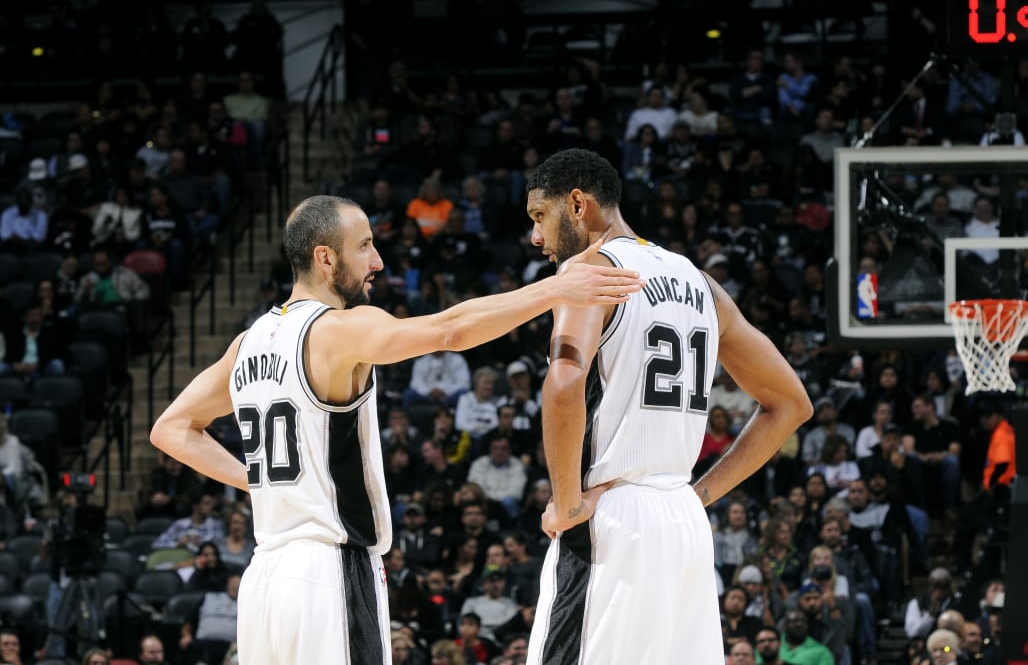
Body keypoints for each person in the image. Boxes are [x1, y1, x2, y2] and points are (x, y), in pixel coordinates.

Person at [149, 194, 643, 664]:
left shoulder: (248, 343)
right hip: (329, 572)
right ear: (325, 257)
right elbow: (449, 330)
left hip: (264, 582)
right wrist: (554, 288)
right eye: (364, 245)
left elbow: (172, 428)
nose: (378, 261)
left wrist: (257, 479)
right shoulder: (339, 330)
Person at [520, 149, 812, 665]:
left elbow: (564, 384)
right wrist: (699, 495)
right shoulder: (700, 282)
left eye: (540, 217)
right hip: (684, 522)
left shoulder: (588, 273)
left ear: (578, 204)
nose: (535, 237)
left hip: (612, 519)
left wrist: (567, 504)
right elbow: (790, 404)